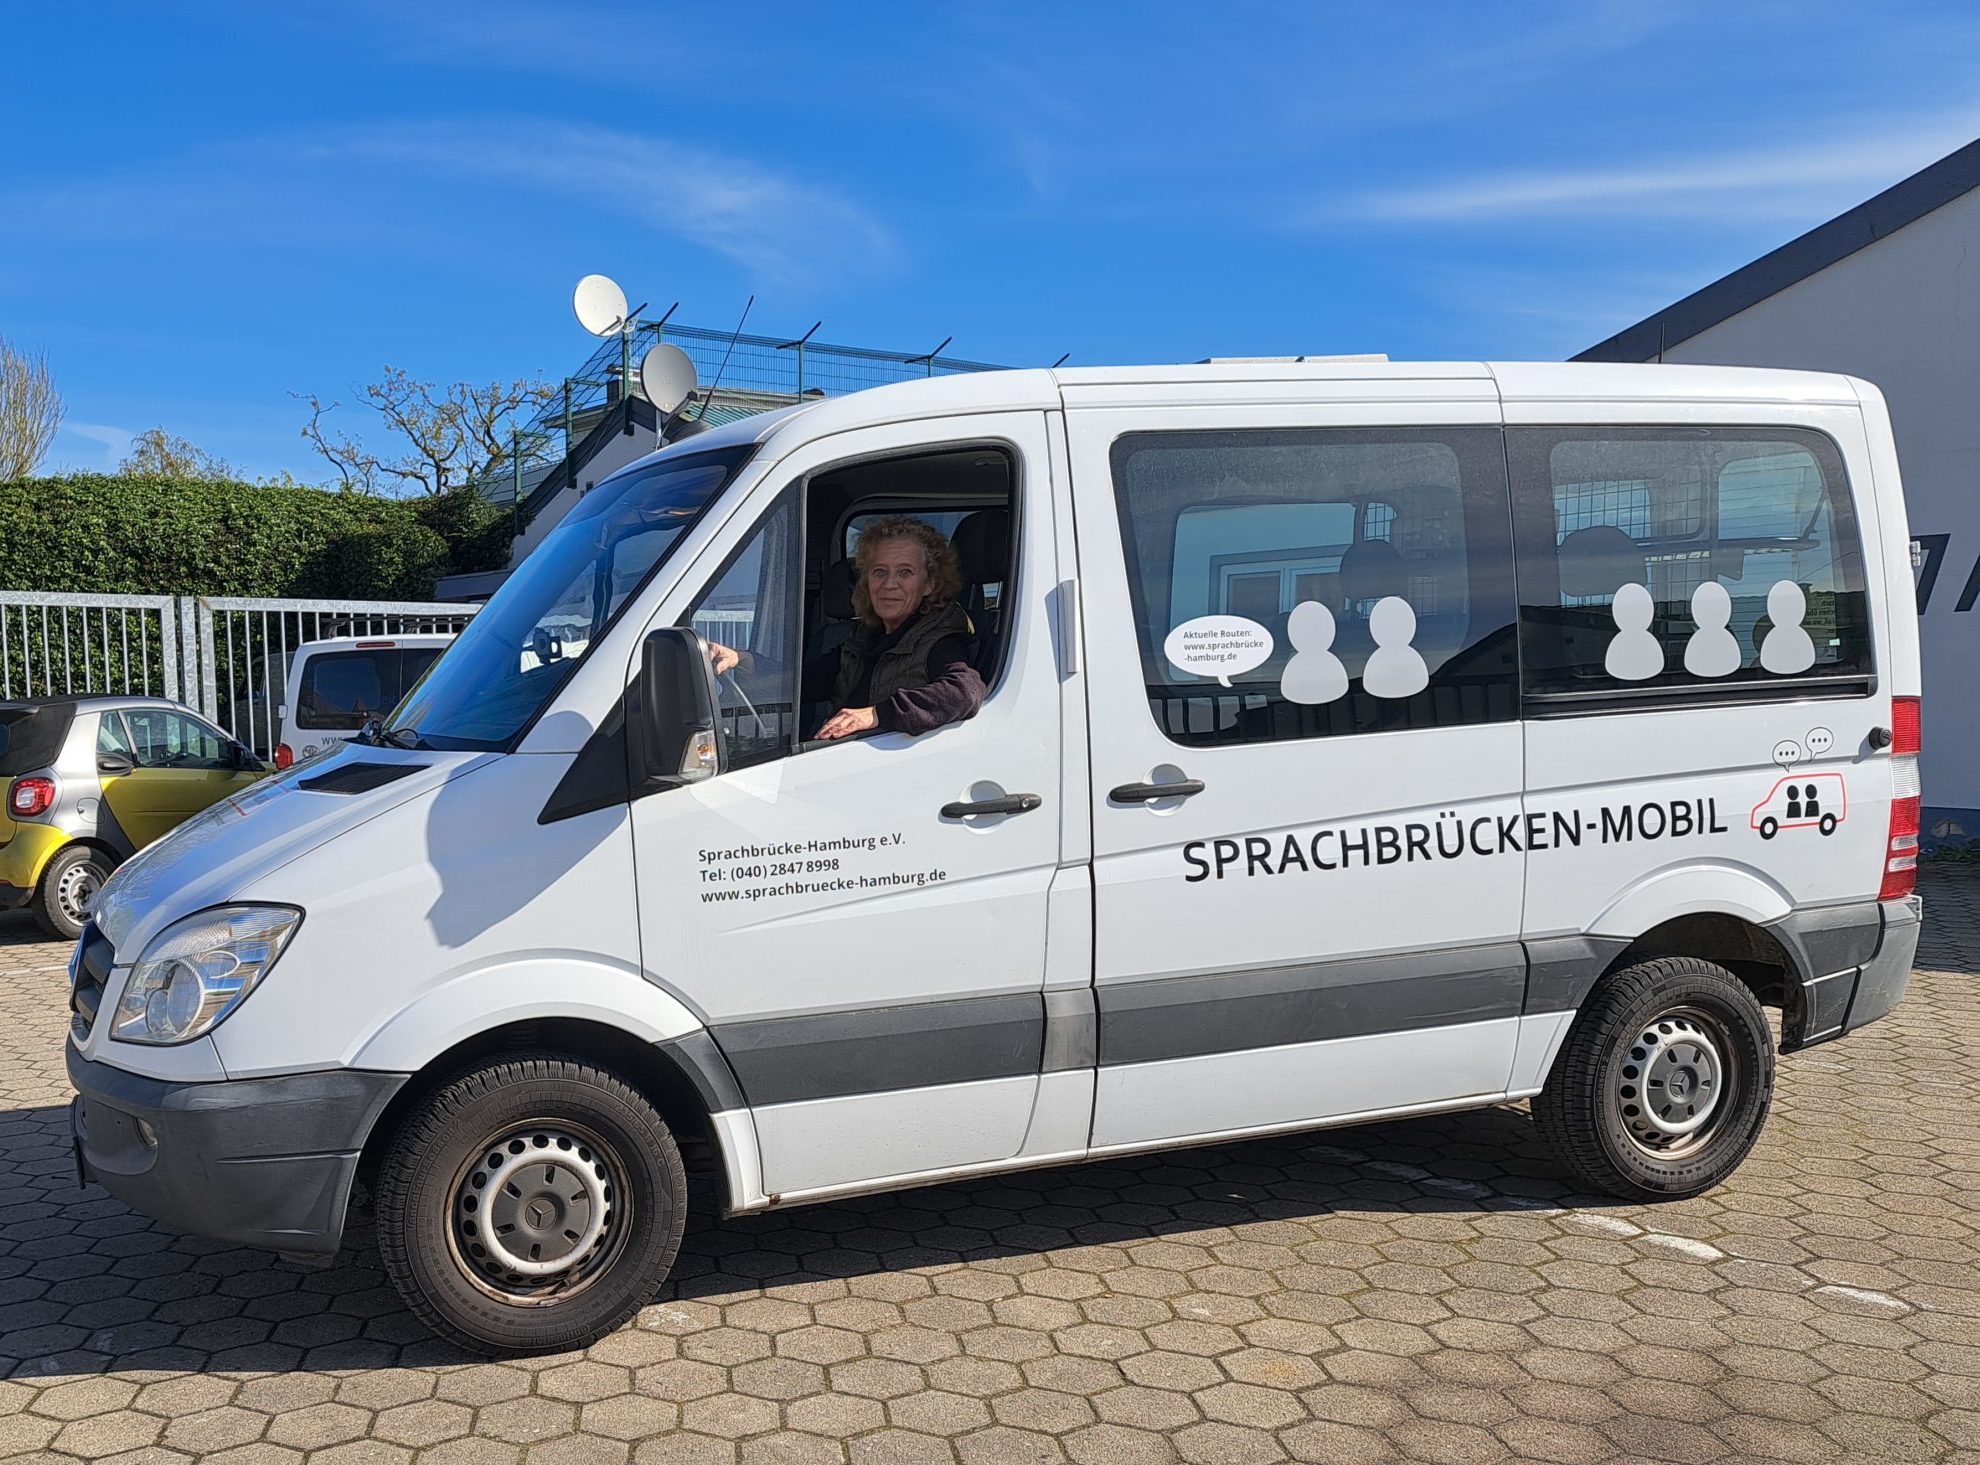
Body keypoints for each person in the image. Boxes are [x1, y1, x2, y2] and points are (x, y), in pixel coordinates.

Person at [708, 516, 986, 740]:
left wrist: (875, 714)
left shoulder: (941, 639)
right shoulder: (866, 636)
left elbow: (965, 692)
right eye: (879, 572)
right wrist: (743, 661)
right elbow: (806, 681)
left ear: (930, 585)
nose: (889, 584)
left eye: (905, 572)